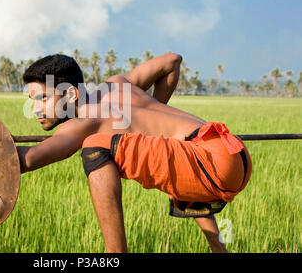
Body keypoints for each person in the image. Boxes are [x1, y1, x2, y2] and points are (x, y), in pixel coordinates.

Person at [16, 53, 252, 253]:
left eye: (43, 98)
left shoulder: (84, 122)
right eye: (32, 100)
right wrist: (157, 112)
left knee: (94, 145)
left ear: (70, 95)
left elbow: (28, 159)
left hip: (210, 164)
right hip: (231, 150)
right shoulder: (117, 84)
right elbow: (172, 61)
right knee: (175, 170)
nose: (36, 109)